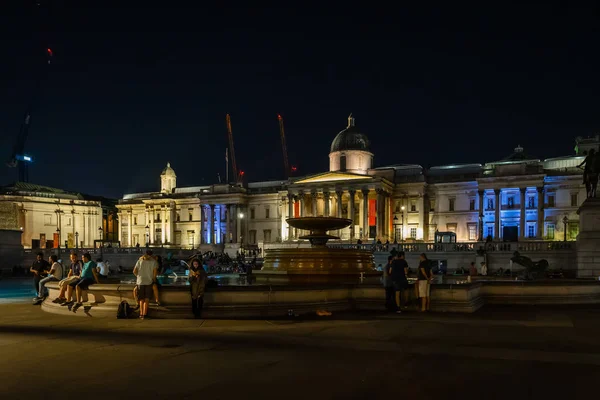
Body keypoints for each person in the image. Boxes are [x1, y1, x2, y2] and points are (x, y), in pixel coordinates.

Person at [133, 250, 158, 319]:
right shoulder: (154, 262)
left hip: (140, 282)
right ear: (151, 255)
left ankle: (141, 314)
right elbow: (155, 273)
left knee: (141, 299)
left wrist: (138, 277)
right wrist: (154, 280)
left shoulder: (139, 261)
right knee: (147, 299)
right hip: (149, 282)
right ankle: (145, 314)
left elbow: (134, 271)